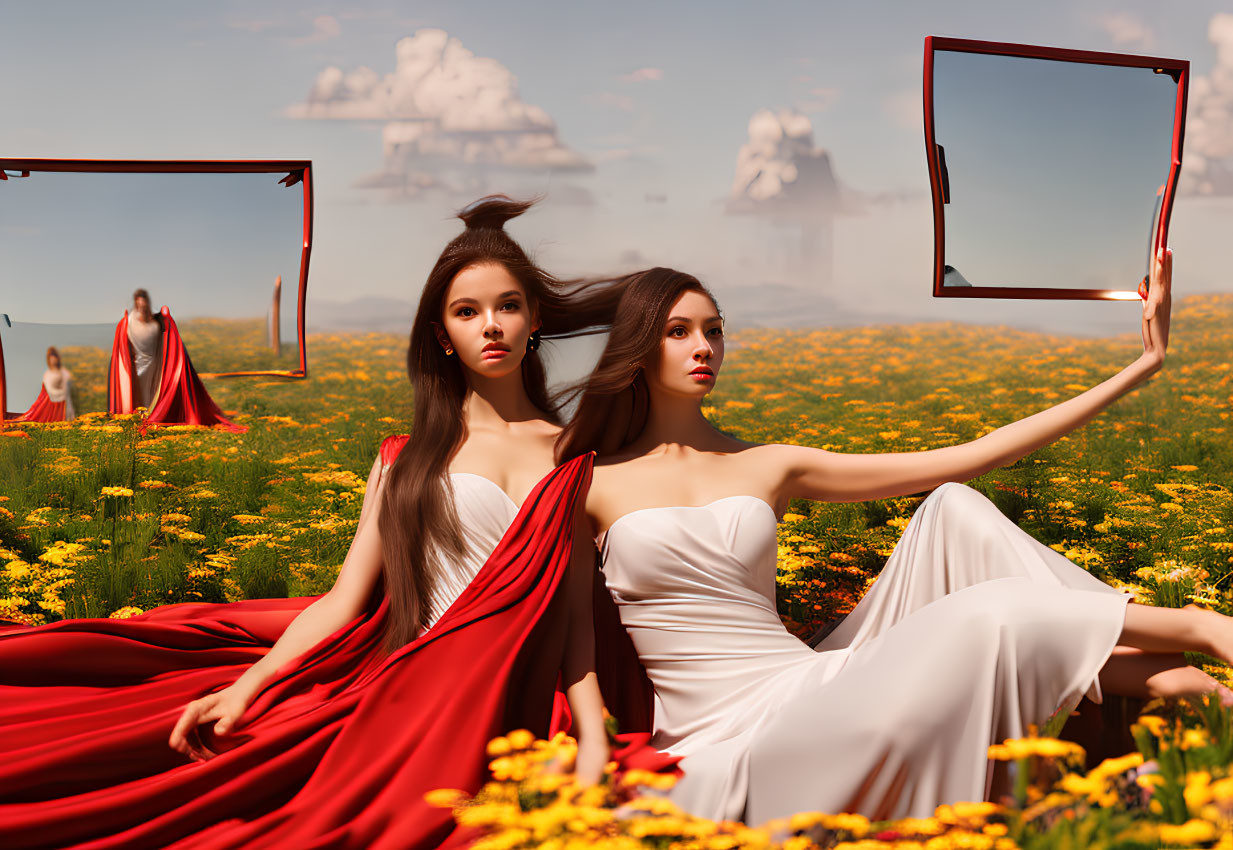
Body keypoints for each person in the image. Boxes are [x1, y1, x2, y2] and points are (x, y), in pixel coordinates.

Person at [0, 197, 638, 849]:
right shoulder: (405, 460)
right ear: (442, 336)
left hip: (519, 708)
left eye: (507, 306)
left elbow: (575, 628)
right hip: (415, 690)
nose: (491, 326)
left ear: (534, 320)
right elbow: (343, 600)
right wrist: (247, 687)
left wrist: (593, 741)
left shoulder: (576, 458)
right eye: (466, 312)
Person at [555, 250, 1233, 824]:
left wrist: (1143, 365)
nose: (703, 346)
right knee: (989, 609)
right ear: (639, 346)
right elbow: (576, 642)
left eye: (713, 329)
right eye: (678, 331)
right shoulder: (589, 482)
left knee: (954, 509)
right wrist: (592, 743)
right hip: (719, 735)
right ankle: (1197, 634)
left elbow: (975, 453)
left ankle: (1198, 687)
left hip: (811, 685)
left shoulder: (766, 463)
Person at [107, 288, 243, 431]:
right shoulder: (128, 322)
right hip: (136, 364)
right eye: (139, 304)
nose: (141, 306)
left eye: (144, 303)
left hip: (154, 363)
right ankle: (138, 419)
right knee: (137, 391)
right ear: (135, 303)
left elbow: (167, 338)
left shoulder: (156, 321)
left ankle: (150, 418)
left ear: (147, 303)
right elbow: (123, 345)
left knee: (153, 391)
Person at [12, 346, 75, 422]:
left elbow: (67, 380)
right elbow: (49, 389)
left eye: (54, 359)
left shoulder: (62, 372)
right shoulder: (48, 374)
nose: (53, 361)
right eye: (51, 359)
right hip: (50, 398)